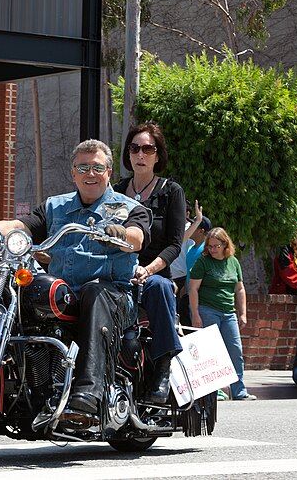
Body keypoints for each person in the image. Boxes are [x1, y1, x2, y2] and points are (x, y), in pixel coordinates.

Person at [0, 139, 150, 417]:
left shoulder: (128, 208)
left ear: (109, 172)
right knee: (22, 291)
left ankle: (89, 391)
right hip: (65, 295)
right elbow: (20, 226)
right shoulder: (55, 207)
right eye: (83, 167)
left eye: (97, 167)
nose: (90, 173)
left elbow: (137, 237)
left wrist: (120, 234)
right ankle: (7, 387)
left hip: (114, 298)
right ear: (73, 173)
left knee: (94, 292)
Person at [112, 122, 185, 403]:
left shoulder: (171, 191)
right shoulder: (115, 191)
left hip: (152, 272)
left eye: (147, 149)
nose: (140, 154)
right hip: (117, 271)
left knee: (159, 287)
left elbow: (175, 244)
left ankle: (163, 368)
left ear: (157, 155)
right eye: (134, 148)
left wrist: (148, 268)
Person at [188, 227, 256, 400]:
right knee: (211, 351)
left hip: (228, 312)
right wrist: (195, 314)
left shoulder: (233, 262)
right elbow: (193, 289)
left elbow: (239, 289)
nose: (212, 249)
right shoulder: (202, 262)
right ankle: (214, 391)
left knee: (235, 350)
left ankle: (238, 390)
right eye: (210, 246)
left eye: (216, 246)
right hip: (207, 309)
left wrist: (243, 313)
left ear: (225, 244)